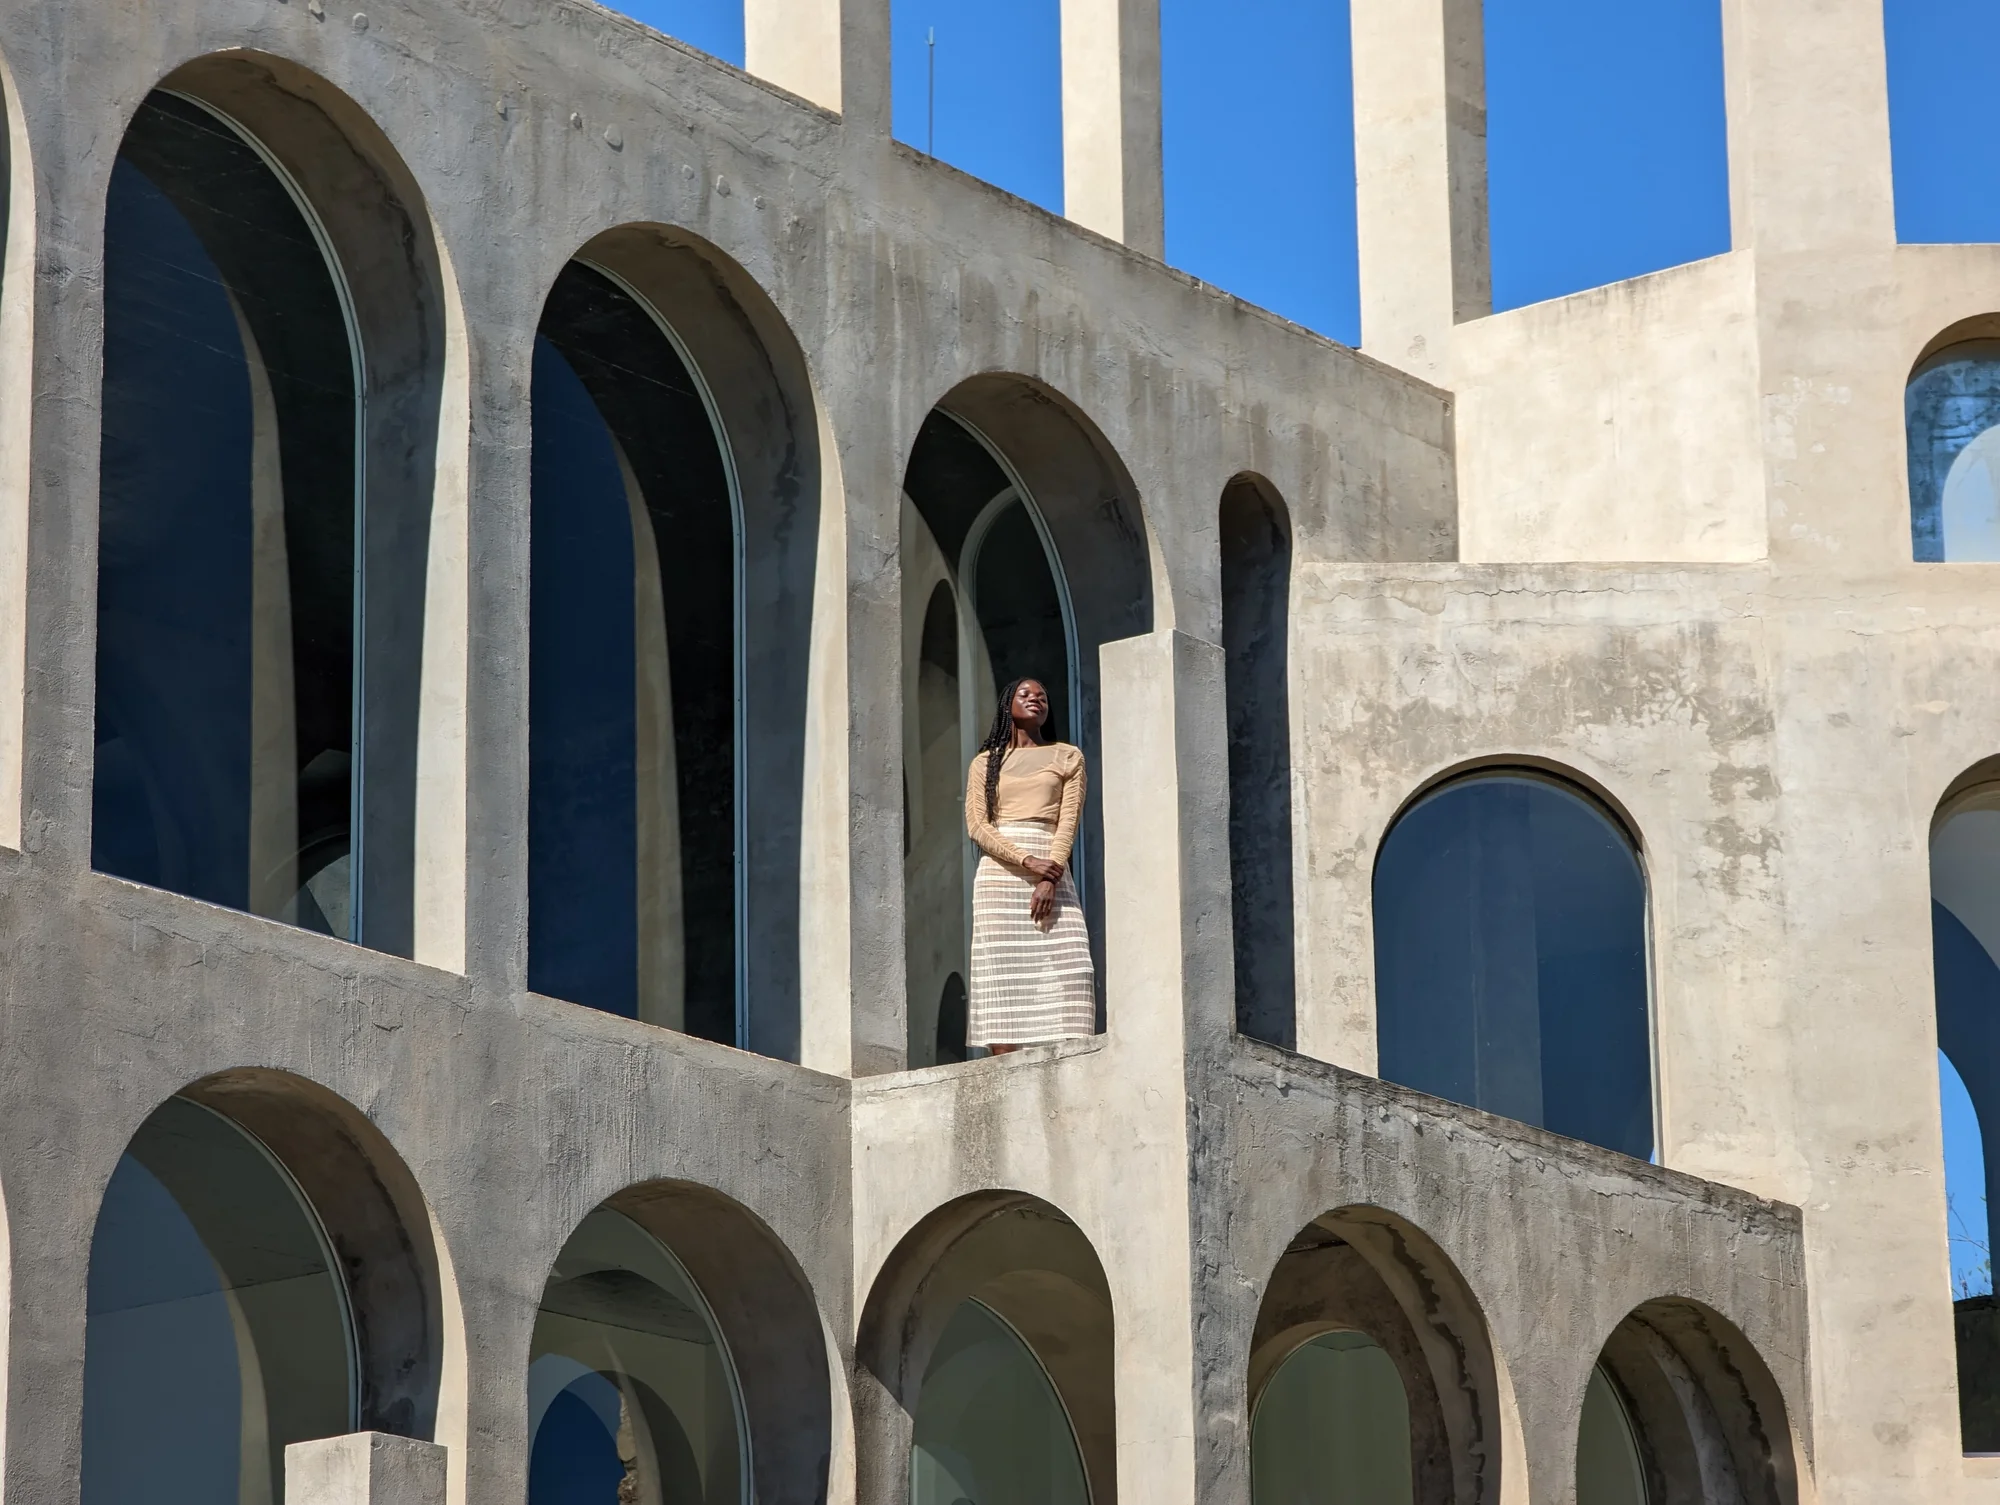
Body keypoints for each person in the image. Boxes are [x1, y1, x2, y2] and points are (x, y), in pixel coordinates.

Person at [963, 678, 1095, 1054]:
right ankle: (1005, 1074)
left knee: (1073, 968)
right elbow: (978, 826)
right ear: (1008, 706)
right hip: (1000, 878)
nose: (1036, 699)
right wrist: (1026, 860)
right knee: (1002, 977)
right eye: (1026, 695)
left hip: (1051, 867)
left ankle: (1074, 1065)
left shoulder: (1067, 757)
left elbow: (1066, 822)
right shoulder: (985, 763)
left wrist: (1049, 875)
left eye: (1042, 695)